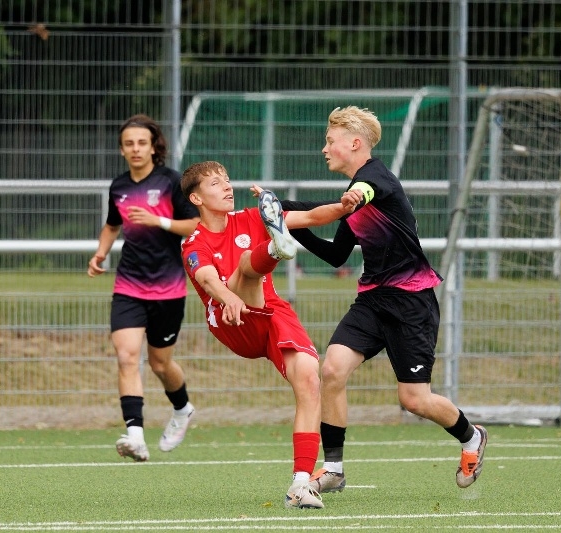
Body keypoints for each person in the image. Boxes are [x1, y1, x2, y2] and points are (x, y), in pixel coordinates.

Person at [280, 106, 488, 494]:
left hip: (411, 302)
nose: (324, 148)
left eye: (330, 141)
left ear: (354, 143)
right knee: (332, 370)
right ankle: (334, 470)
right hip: (373, 299)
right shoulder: (354, 195)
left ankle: (472, 436)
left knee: (414, 399)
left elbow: (366, 191)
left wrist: (339, 200)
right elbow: (336, 255)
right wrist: (286, 216)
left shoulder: (375, 180)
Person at [179, 160, 360, 509]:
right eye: (215, 183)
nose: (227, 186)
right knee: (247, 264)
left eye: (227, 180)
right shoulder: (194, 242)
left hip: (272, 310)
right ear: (196, 198)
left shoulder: (251, 217)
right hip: (232, 318)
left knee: (309, 377)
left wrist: (343, 206)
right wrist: (229, 298)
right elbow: (207, 279)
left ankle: (300, 484)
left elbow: (312, 217)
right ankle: (275, 249)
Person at [88, 114, 200, 462]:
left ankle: (182, 409)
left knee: (160, 364)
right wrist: (100, 253)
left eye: (141, 142)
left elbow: (195, 224)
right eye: (129, 144)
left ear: (153, 147)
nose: (135, 149)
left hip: (168, 288)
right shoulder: (119, 186)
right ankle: (135, 436)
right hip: (128, 285)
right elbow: (112, 225)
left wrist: (158, 220)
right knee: (126, 356)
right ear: (122, 150)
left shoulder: (171, 182)